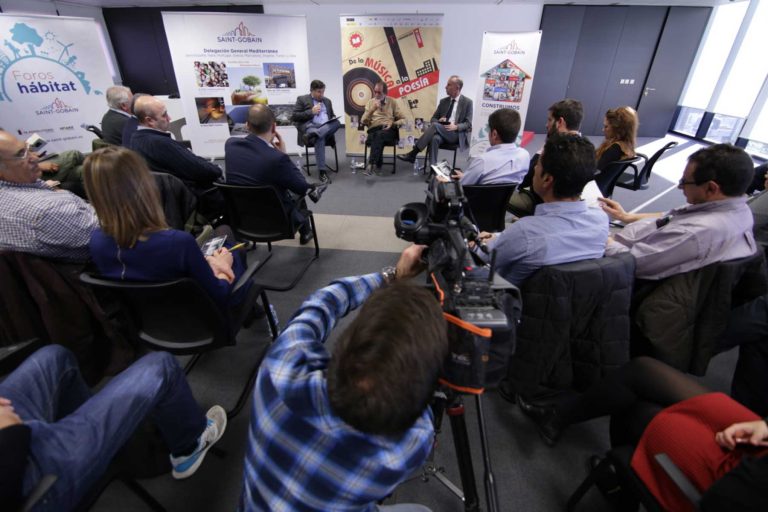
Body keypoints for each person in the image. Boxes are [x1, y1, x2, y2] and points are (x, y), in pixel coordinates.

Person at [240, 245, 448, 511]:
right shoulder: (409, 447)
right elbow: (422, 414)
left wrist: (392, 275)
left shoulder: (279, 368)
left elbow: (322, 303)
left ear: (346, 343)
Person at [517, 356, 768, 511]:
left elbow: (724, 501)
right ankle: (558, 417)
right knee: (642, 371)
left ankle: (625, 497)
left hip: (738, 483)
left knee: (635, 411)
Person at [0, 345, 226, 510]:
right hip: (19, 475)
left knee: (55, 358)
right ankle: (189, 448)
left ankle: (105, 444)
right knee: (162, 366)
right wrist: (10, 433)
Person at [84, 146, 247, 309]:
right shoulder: (177, 242)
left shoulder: (97, 242)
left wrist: (206, 264)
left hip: (147, 325)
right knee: (230, 245)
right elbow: (219, 294)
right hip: (203, 321)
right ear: (144, 185)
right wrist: (223, 268)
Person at [601, 143, 756, 280]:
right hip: (628, 245)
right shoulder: (738, 208)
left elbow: (633, 262)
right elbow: (670, 214)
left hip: (620, 265)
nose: (680, 187)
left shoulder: (694, 233)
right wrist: (626, 216)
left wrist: (603, 238)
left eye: (684, 182)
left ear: (711, 188)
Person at [476, 133, 608, 285]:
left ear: (547, 179)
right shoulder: (601, 222)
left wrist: (480, 243)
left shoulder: (524, 233)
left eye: (537, 164)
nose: (534, 168)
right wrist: (500, 237)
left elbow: (482, 257)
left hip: (507, 301)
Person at [225, 104, 316, 245]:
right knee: (297, 193)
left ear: (247, 126)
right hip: (277, 225)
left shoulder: (230, 145)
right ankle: (306, 232)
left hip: (242, 222)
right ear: (274, 127)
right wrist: (284, 155)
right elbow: (302, 187)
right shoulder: (277, 158)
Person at [0, 129, 97, 260]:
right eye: (21, 154)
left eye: (27, 149)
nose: (34, 158)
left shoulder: (14, 192)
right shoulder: (47, 209)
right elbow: (116, 233)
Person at [129, 95, 224, 217]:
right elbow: (202, 170)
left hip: (169, 202)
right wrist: (218, 169)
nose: (169, 118)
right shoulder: (160, 143)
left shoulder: (136, 139)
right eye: (164, 115)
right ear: (149, 121)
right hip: (196, 200)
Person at [509, 98, 584, 216]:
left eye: (549, 120)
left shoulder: (552, 149)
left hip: (542, 206)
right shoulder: (586, 149)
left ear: (560, 122)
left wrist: (542, 152)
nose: (546, 124)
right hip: (570, 209)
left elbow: (526, 180)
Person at [397, 75, 473, 168]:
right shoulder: (443, 101)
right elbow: (433, 119)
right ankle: (433, 171)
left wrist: (456, 126)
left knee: (435, 126)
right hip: (441, 131)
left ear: (457, 87)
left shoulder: (467, 102)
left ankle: (413, 153)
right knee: (434, 139)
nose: (445, 87)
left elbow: (468, 124)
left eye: (448, 85)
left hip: (455, 134)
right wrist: (439, 120)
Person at [451, 108, 529, 186]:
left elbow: (461, 187)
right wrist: (465, 177)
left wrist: (445, 181)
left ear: (494, 134)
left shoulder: (483, 161)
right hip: (509, 197)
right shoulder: (525, 155)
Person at [292, 79, 341, 184]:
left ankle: (313, 135)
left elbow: (331, 114)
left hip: (325, 127)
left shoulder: (327, 101)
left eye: (323, 91)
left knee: (337, 122)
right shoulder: (302, 99)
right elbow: (294, 116)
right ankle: (322, 172)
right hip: (311, 126)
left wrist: (332, 118)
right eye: (319, 92)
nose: (321, 94)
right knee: (320, 138)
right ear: (312, 90)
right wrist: (311, 112)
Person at [360, 81, 405, 176]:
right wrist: (372, 109)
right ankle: (377, 164)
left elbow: (403, 119)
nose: (376, 94)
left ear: (385, 93)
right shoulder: (370, 103)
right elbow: (363, 121)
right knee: (377, 135)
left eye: (379, 92)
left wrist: (393, 123)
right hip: (374, 130)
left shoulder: (392, 102)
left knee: (379, 135)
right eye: (375, 91)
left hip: (388, 130)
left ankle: (371, 164)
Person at [595, 106, 638, 171]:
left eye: (606, 126)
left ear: (617, 129)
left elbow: (594, 170)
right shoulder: (627, 146)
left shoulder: (615, 149)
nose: (603, 129)